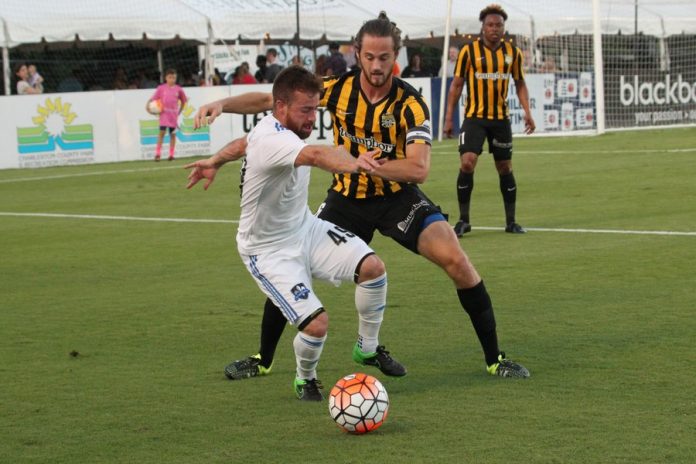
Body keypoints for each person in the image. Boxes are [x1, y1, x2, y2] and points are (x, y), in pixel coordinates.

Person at [194, 11, 530, 381]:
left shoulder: (411, 103)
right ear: (357, 54)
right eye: (369, 57)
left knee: (456, 260)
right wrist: (222, 105)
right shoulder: (338, 87)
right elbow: (273, 98)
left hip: (397, 198)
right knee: (292, 262)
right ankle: (263, 358)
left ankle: (495, 359)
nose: (376, 65)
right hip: (345, 199)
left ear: (395, 57)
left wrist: (364, 165)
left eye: (384, 57)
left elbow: (418, 169)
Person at [185, 66, 399, 401]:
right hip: (268, 251)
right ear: (281, 107)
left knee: (373, 269)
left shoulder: (268, 128)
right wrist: (355, 162)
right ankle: (305, 378)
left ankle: (367, 349)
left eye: (316, 109)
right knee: (316, 325)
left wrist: (214, 160)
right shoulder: (276, 140)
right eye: (305, 110)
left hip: (306, 229)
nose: (313, 118)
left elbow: (243, 143)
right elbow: (316, 155)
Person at [444, 4, 535, 237]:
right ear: (483, 28)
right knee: (467, 162)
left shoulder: (512, 53)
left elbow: (520, 84)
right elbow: (456, 85)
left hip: (500, 119)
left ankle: (511, 222)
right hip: (474, 118)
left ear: (504, 28)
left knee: (504, 167)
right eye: (490, 25)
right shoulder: (468, 52)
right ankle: (464, 221)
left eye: (499, 25)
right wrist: (448, 118)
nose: (494, 29)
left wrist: (527, 112)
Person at [147, 68, 187, 161]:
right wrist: (147, 106)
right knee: (161, 133)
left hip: (173, 116)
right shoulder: (161, 88)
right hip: (164, 115)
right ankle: (157, 154)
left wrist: (179, 112)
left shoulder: (179, 89)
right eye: (170, 77)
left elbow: (184, 101)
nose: (172, 79)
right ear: (166, 78)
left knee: (172, 135)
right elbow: (153, 99)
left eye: (174, 78)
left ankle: (171, 154)